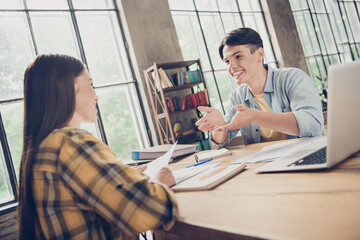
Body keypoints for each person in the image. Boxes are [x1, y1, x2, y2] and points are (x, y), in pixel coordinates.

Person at [18, 54, 178, 240]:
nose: (96, 95)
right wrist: (158, 182)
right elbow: (150, 211)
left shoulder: (40, 148)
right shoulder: (70, 143)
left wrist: (120, 176)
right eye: (91, 84)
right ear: (67, 87)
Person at [195, 27, 324, 147]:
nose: (231, 67)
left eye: (238, 57)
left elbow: (313, 125)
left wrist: (254, 116)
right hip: (266, 164)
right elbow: (221, 142)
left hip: (307, 154)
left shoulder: (293, 78)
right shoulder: (237, 96)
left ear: (260, 54)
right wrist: (219, 127)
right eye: (227, 61)